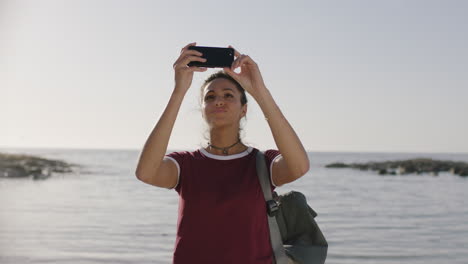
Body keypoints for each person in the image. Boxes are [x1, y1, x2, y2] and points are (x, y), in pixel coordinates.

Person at [135, 42, 310, 264]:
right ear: (202, 109)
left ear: (243, 109)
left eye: (229, 95)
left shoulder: (262, 163)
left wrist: (260, 92)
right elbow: (146, 173)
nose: (218, 100)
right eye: (210, 97)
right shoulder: (186, 164)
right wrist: (179, 91)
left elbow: (299, 167)